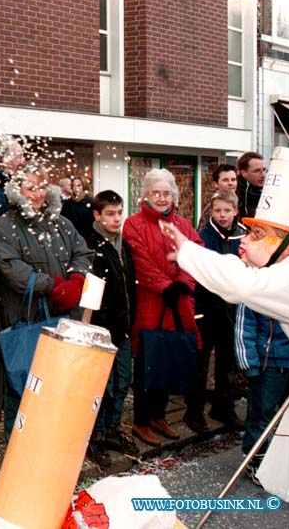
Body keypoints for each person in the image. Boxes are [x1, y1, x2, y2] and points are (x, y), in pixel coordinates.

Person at [162, 147, 289, 523]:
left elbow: (242, 286)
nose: (245, 240)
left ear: (287, 241)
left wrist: (187, 251)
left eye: (258, 234)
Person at [0, 165, 93, 439]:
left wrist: (77, 278)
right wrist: (54, 286)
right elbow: (13, 270)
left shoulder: (62, 223)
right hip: (28, 322)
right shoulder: (4, 227)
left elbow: (82, 252)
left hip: (63, 322)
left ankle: (49, 449)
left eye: (41, 187)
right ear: (17, 191)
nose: (36, 194)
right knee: (23, 392)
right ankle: (18, 453)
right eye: (30, 188)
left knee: (57, 393)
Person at [122, 168, 203, 447]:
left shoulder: (183, 223)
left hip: (179, 303)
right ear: (145, 194)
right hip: (151, 303)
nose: (161, 198)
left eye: (166, 193)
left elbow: (196, 254)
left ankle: (158, 416)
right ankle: (141, 420)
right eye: (155, 193)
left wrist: (183, 283)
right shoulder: (134, 224)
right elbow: (139, 260)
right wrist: (164, 285)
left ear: (174, 195)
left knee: (170, 360)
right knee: (148, 362)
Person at [84, 190, 139, 466]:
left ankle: (113, 428)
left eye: (119, 212)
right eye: (110, 214)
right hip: (102, 330)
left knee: (121, 382)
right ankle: (95, 435)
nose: (117, 218)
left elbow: (128, 286)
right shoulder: (92, 246)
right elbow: (92, 295)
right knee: (101, 387)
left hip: (123, 328)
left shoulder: (123, 245)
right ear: (97, 215)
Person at [184, 191, 244, 434]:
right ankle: (194, 410)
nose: (222, 215)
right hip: (207, 305)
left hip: (231, 307)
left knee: (226, 362)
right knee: (201, 362)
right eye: (218, 211)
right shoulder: (204, 236)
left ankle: (223, 407)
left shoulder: (242, 235)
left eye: (227, 211)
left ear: (235, 211)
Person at [234, 303, 289, 486]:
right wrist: (249, 364)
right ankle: (256, 461)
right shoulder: (255, 288)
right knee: (261, 415)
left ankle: (284, 461)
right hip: (268, 363)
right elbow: (244, 327)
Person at [197, 164, 238, 231]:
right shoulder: (213, 205)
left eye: (233, 180)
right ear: (216, 184)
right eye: (225, 180)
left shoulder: (238, 201)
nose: (230, 183)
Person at [61, 175, 95, 241]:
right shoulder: (68, 204)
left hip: (88, 239)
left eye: (79, 185)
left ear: (84, 186)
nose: (75, 188)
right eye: (73, 185)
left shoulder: (91, 202)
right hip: (71, 239)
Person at [236, 152, 265, 219]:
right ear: (243, 172)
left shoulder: (268, 192)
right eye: (257, 171)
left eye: (264, 170)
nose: (263, 175)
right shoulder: (234, 193)